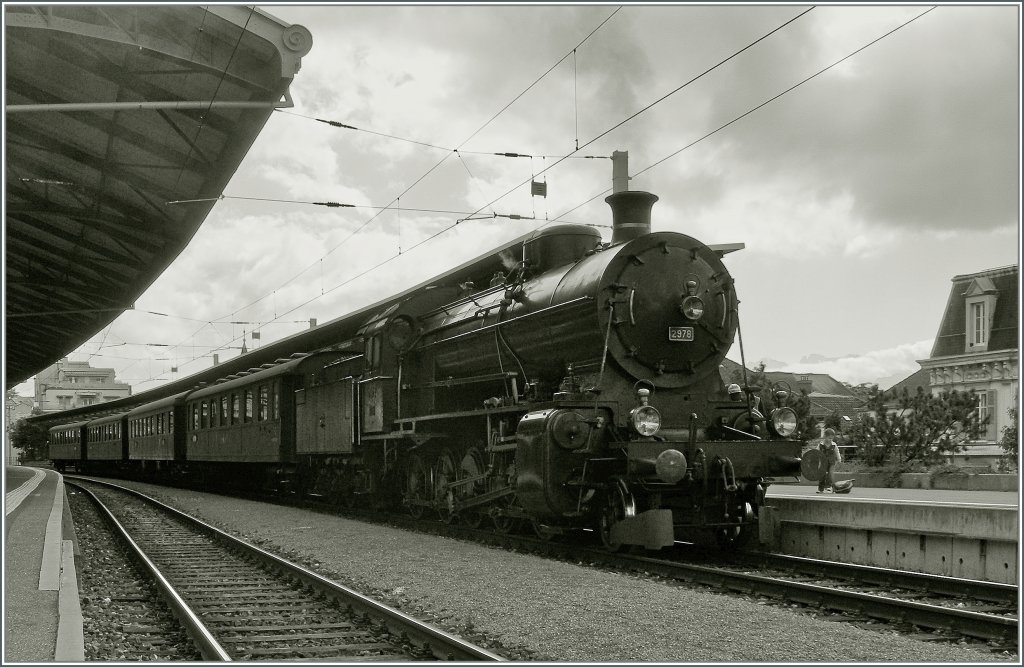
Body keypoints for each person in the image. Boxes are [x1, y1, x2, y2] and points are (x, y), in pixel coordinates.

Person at [817, 428, 842, 493]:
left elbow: (837, 452)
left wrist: (839, 459)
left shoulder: (834, 445)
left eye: (831, 438)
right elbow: (816, 452)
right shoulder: (821, 445)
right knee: (822, 475)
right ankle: (821, 488)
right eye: (829, 438)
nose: (830, 440)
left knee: (830, 474)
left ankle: (829, 487)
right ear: (825, 437)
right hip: (823, 462)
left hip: (831, 462)